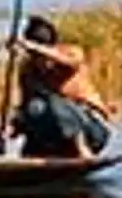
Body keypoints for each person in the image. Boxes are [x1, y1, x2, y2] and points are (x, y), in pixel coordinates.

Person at [10, 15, 115, 159]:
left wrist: (34, 47)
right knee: (34, 107)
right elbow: (25, 105)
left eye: (41, 55)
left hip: (92, 129)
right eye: (34, 56)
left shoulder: (70, 53)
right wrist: (11, 128)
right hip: (58, 131)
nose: (40, 61)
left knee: (53, 101)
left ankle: (82, 150)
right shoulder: (28, 71)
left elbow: (71, 62)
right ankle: (34, 156)